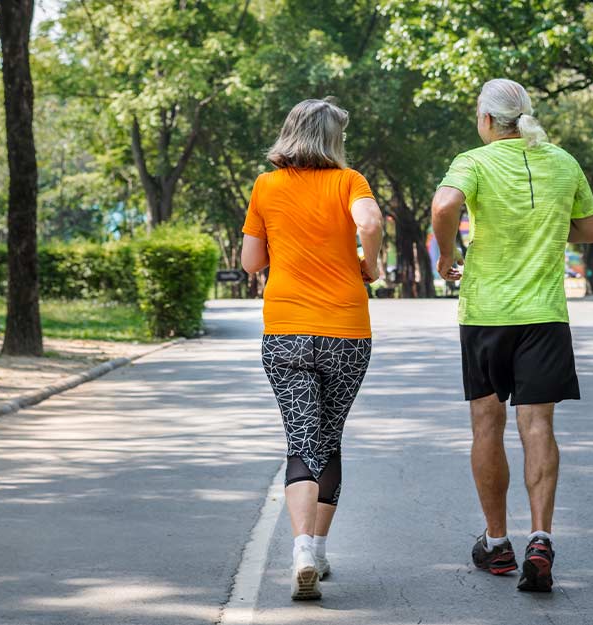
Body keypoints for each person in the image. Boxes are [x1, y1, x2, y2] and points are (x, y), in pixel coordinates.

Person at [431, 78, 593, 592]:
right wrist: (547, 228)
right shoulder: (563, 161)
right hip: (545, 316)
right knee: (538, 427)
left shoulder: (474, 162)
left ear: (486, 120)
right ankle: (542, 536)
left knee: (487, 425)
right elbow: (590, 230)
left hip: (486, 314)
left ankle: (498, 543)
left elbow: (443, 208)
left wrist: (446, 256)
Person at [241, 97, 383, 601]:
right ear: (332, 139)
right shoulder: (350, 182)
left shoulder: (266, 185)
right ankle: (318, 550)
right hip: (346, 330)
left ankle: (302, 549)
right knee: (329, 436)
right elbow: (368, 223)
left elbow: (251, 262)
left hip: (286, 332)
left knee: (303, 438)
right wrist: (371, 264)